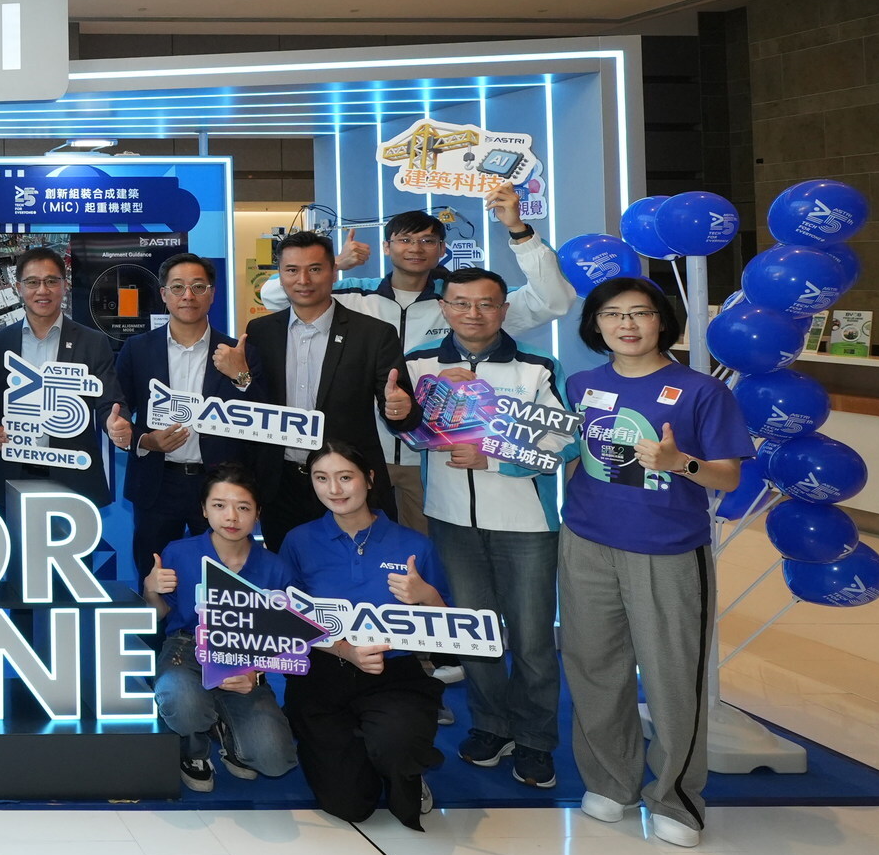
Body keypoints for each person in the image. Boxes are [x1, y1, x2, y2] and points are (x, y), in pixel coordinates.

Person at [560, 276, 753, 848]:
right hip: (586, 541)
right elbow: (577, 456)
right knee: (594, 665)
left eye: (640, 313)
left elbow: (728, 476)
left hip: (667, 548)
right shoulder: (581, 384)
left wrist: (679, 462)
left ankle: (676, 797)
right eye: (612, 314)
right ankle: (610, 780)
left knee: (672, 674)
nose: (626, 325)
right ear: (595, 325)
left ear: (662, 321)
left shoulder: (701, 391)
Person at [384, 267, 565, 788]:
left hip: (525, 523)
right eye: (461, 303)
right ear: (444, 308)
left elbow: (561, 441)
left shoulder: (536, 366)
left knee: (532, 640)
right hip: (450, 520)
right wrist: (408, 410)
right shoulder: (418, 363)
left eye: (486, 304)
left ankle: (535, 739)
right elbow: (409, 431)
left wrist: (495, 456)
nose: (474, 313)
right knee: (474, 632)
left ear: (504, 309)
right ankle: (490, 725)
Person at [335, 182, 575, 528]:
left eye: (427, 241)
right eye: (405, 240)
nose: (415, 248)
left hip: (433, 458)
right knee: (362, 544)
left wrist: (519, 230)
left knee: (425, 551)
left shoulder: (463, 301)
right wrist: (336, 264)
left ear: (442, 249)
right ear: (386, 247)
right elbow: (278, 296)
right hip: (365, 450)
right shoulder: (352, 295)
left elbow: (554, 300)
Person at [275, 440, 454, 831]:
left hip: (394, 674)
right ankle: (360, 752)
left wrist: (427, 595)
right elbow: (289, 618)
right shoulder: (298, 541)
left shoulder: (414, 545)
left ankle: (403, 767)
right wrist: (343, 649)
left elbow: (448, 632)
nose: (334, 489)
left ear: (369, 479)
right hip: (322, 674)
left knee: (397, 745)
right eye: (321, 478)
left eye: (345, 477)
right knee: (349, 804)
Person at [223, 229, 407, 534]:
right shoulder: (260, 331)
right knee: (285, 562)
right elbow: (255, 404)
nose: (303, 280)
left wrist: (400, 409)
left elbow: (403, 413)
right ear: (280, 275)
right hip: (280, 485)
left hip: (346, 484)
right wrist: (240, 378)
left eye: (315, 269)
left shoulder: (373, 334)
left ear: (334, 272)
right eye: (292, 270)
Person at [147, 465, 298, 793]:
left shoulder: (276, 568)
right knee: (183, 702)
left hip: (245, 660)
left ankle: (226, 733)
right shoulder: (179, 552)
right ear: (203, 509)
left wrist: (256, 674)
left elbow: (284, 640)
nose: (231, 516)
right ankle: (193, 750)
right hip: (187, 648)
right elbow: (159, 614)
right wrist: (151, 589)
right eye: (219, 505)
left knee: (274, 759)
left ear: (258, 513)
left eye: (243, 507)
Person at [108, 252, 252, 574]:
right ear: (163, 294)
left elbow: (259, 415)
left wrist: (241, 376)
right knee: (154, 575)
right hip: (158, 483)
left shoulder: (237, 351)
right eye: (177, 287)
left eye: (198, 287)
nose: (188, 295)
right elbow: (118, 408)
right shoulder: (137, 349)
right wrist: (144, 440)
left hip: (219, 485)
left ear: (212, 293)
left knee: (223, 576)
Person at [0, 244, 121, 506]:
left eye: (51, 281)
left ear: (64, 285)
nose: (42, 290)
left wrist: (116, 423)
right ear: (18, 288)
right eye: (32, 282)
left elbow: (110, 402)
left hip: (73, 471)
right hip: (14, 469)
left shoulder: (93, 342)